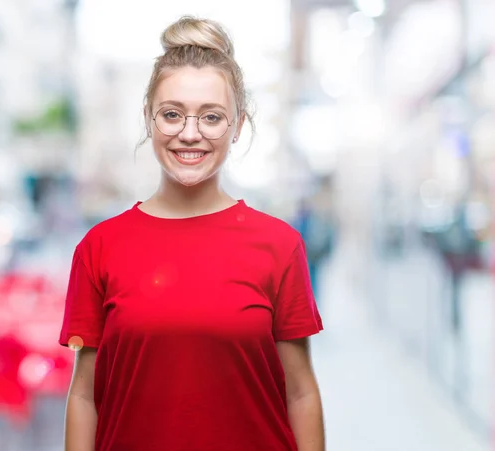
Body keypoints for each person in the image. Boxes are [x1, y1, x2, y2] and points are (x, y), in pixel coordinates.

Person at [59, 16, 325, 451]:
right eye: (172, 114)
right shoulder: (100, 247)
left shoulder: (279, 244)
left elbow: (300, 391)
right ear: (149, 118)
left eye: (212, 117)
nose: (190, 133)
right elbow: (85, 395)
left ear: (238, 125)